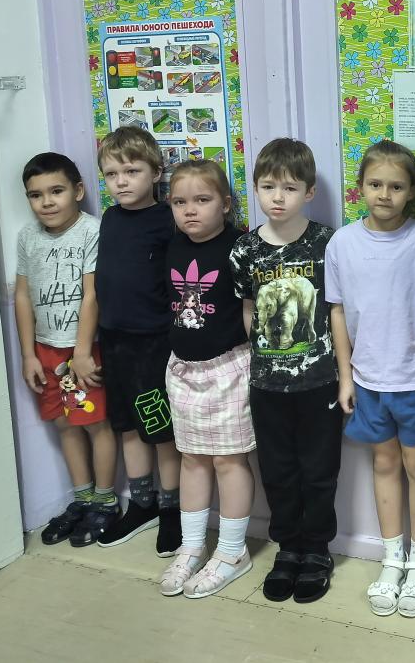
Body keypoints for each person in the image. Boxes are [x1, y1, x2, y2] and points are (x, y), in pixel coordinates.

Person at [326, 140, 415, 618]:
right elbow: (338, 313)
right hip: (367, 380)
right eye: (375, 184)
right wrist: (345, 377)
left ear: (412, 191)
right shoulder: (342, 243)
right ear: (360, 188)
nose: (384, 194)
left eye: (396, 186)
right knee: (383, 465)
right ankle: (392, 558)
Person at [229, 138, 340, 604]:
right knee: (277, 470)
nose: (278, 197)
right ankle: (288, 548)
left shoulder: (328, 243)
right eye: (268, 187)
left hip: (320, 382)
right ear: (255, 189)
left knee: (319, 470)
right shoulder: (245, 249)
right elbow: (248, 310)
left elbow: (338, 309)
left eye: (290, 188)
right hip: (267, 384)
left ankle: (317, 551)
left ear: (309, 192)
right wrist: (265, 358)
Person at [157, 160, 256, 599]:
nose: (190, 210)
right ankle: (192, 545)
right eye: (180, 202)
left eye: (202, 200)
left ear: (226, 204)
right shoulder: (172, 247)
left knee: (228, 460)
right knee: (192, 458)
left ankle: (233, 551)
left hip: (228, 369)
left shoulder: (240, 247)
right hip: (183, 370)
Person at [14, 153, 118, 546]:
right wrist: (28, 354)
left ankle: (105, 501)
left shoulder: (93, 231)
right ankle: (83, 498)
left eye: (56, 191)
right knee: (63, 423)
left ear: (77, 191)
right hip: (45, 351)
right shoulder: (27, 237)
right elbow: (22, 296)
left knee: (94, 423)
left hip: (84, 351)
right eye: (35, 195)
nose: (47, 202)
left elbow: (92, 295)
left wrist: (82, 353)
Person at [93, 126, 183, 555]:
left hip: (154, 343)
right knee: (127, 426)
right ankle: (142, 503)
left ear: (156, 173)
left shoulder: (168, 220)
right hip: (114, 341)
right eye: (112, 174)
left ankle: (171, 509)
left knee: (160, 431)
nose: (121, 182)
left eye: (131, 171)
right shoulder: (109, 219)